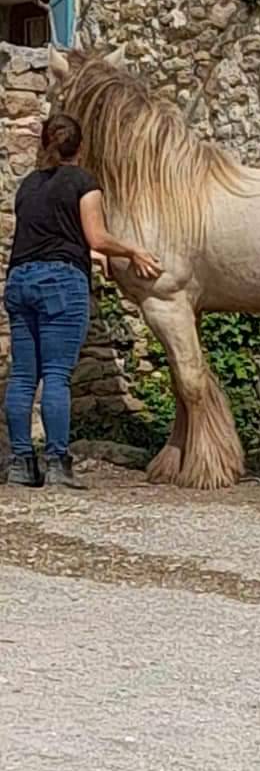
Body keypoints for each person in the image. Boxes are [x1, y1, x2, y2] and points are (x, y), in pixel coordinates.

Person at [3, 113, 163, 490]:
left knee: (24, 377)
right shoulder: (82, 182)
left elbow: (46, 235)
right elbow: (96, 236)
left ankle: (21, 465)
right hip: (60, 282)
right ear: (81, 147)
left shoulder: (27, 186)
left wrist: (87, 252)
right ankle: (58, 463)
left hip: (20, 280)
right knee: (57, 375)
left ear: (45, 144)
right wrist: (132, 250)